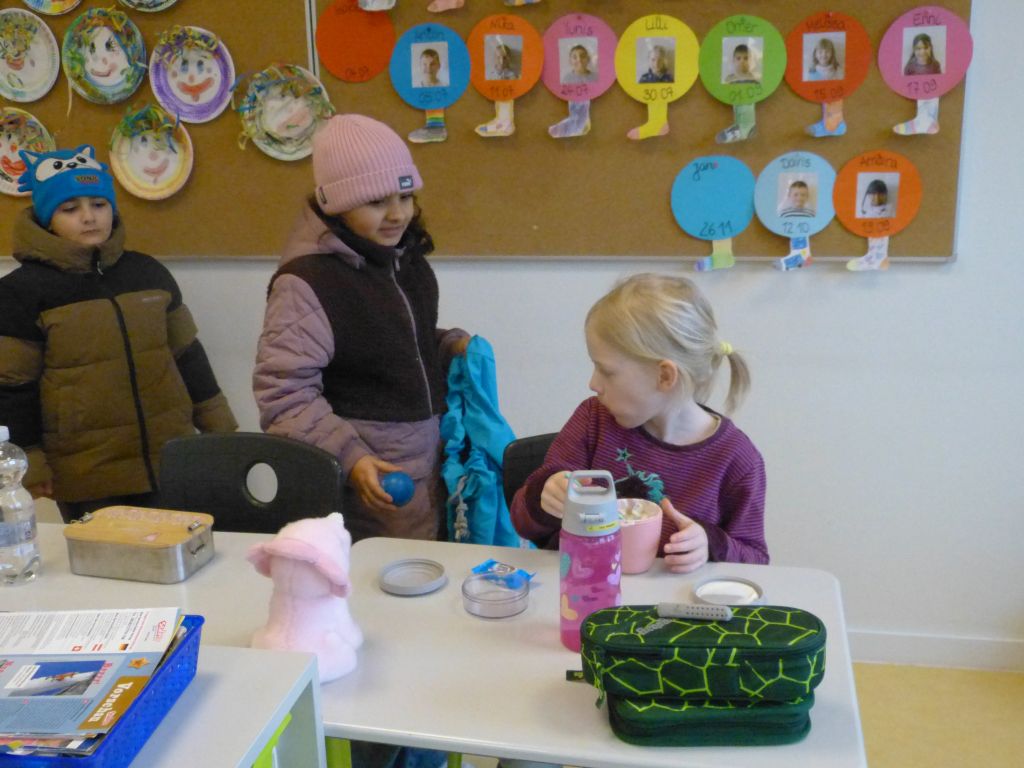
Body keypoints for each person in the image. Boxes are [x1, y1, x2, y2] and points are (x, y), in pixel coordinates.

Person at [253, 114, 468, 768]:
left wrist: (445, 347)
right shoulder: (307, 283)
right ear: (334, 202)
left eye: (405, 195)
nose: (397, 212)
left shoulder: (404, 260)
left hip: (425, 470)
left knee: (423, 623)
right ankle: (384, 752)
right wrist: (352, 458)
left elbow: (393, 347)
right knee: (376, 635)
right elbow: (284, 393)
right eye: (377, 201)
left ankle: (423, 742)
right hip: (368, 487)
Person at [0, 145, 237, 522]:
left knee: (181, 550)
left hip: (169, 458)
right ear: (47, 220)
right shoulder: (20, 293)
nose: (88, 216)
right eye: (70, 208)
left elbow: (187, 353)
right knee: (106, 559)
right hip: (87, 472)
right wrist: (29, 459)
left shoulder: (148, 273)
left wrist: (219, 424)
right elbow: (13, 387)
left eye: (99, 204)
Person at [510, 273, 768, 573]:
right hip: (583, 586)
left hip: (670, 599)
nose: (593, 383)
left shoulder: (736, 460)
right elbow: (522, 522)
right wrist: (544, 496)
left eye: (606, 371)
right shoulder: (593, 420)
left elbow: (756, 561)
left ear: (664, 376)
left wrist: (710, 545)